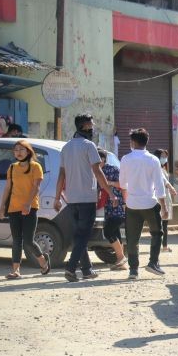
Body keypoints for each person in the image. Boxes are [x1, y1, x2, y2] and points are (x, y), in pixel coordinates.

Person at [55, 114, 119, 282]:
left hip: (71, 199)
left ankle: (86, 270)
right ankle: (70, 268)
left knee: (79, 236)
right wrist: (111, 193)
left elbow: (61, 175)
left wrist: (57, 198)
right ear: (85, 127)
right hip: (86, 199)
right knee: (83, 236)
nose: (94, 127)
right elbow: (98, 172)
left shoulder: (66, 147)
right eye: (92, 124)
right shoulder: (89, 146)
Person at [119, 129, 169, 279]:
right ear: (146, 141)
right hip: (150, 203)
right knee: (157, 233)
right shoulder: (153, 160)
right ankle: (153, 262)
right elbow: (159, 185)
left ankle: (133, 270)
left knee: (132, 238)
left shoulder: (126, 159)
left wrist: (126, 201)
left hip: (132, 205)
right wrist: (164, 206)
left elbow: (122, 183)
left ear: (133, 142)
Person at [0, 140, 50, 278]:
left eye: (21, 149)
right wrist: (2, 206)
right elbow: (8, 188)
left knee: (28, 241)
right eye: (16, 150)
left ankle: (43, 262)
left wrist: (27, 203)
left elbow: (36, 187)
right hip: (13, 208)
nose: (18, 152)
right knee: (16, 240)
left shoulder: (36, 166)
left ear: (28, 151)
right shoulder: (12, 167)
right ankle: (16, 270)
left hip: (30, 208)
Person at [97, 148, 127, 270]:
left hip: (117, 206)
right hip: (107, 207)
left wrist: (109, 183)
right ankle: (121, 262)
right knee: (115, 233)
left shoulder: (113, 169)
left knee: (108, 231)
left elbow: (123, 184)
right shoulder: (97, 171)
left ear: (102, 159)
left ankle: (121, 257)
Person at [152, 149, 177, 253]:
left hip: (166, 197)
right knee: (162, 223)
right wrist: (171, 187)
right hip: (160, 198)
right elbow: (164, 181)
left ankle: (164, 245)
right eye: (162, 156)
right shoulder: (156, 168)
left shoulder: (163, 168)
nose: (164, 159)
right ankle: (163, 245)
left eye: (165, 156)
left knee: (164, 223)